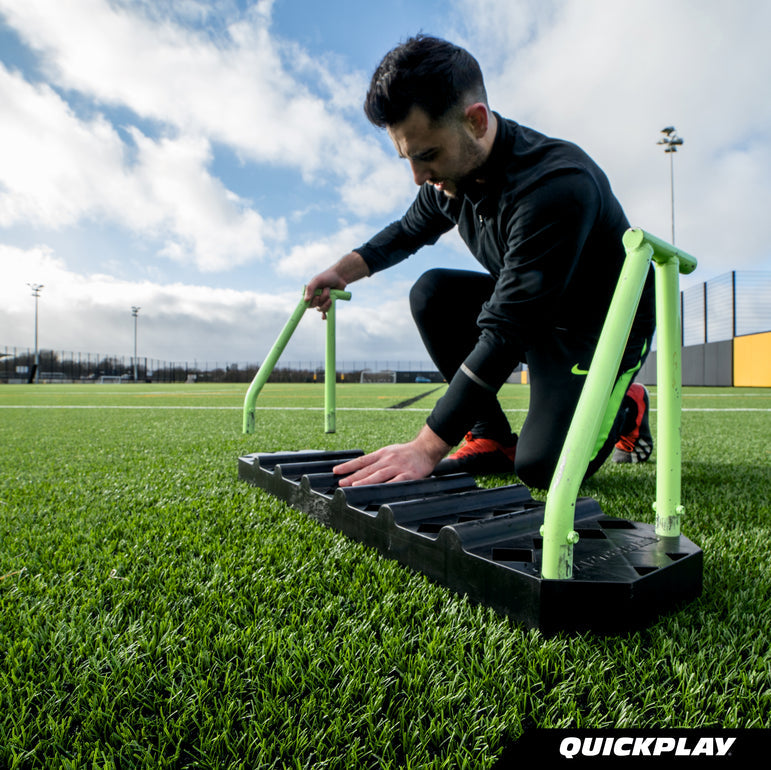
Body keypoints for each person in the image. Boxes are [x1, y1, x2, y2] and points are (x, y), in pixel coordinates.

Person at [305, 35, 654, 489]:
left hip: (598, 329)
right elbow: (406, 231)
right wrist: (339, 272)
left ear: (476, 121)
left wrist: (427, 446)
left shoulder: (554, 185)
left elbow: (508, 329)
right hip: (534, 312)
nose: (418, 177)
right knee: (432, 294)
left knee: (543, 471)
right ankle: (490, 436)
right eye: (407, 158)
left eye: (427, 155)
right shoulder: (450, 182)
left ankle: (626, 403)